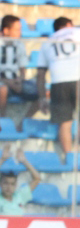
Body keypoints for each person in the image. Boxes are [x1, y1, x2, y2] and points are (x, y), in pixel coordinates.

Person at [37, 17, 80, 154]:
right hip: (78, 77)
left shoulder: (48, 41)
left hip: (58, 82)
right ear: (69, 25)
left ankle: (68, 157)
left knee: (65, 123)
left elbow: (41, 74)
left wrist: (42, 97)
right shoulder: (76, 32)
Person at [0, 14, 37, 117]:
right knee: (3, 89)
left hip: (15, 82)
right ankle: (2, 120)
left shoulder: (20, 45)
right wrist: (7, 82)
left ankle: (25, 120)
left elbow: (23, 70)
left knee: (41, 91)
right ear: (6, 31)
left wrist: (19, 80)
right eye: (16, 30)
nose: (19, 33)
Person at [0, 145, 39, 216]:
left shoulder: (20, 196)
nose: (9, 187)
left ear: (16, 185)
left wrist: (24, 161)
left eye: (12, 184)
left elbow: (37, 178)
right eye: (6, 183)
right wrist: (2, 159)